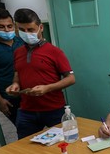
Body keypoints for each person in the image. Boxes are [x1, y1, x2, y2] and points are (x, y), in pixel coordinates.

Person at [6, 8, 75, 139]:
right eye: (22, 30)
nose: (26, 33)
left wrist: (47, 88)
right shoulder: (18, 52)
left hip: (53, 109)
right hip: (27, 110)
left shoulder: (55, 52)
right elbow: (17, 72)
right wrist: (15, 83)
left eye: (30, 30)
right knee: (25, 147)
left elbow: (71, 78)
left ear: (40, 27)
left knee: (63, 143)